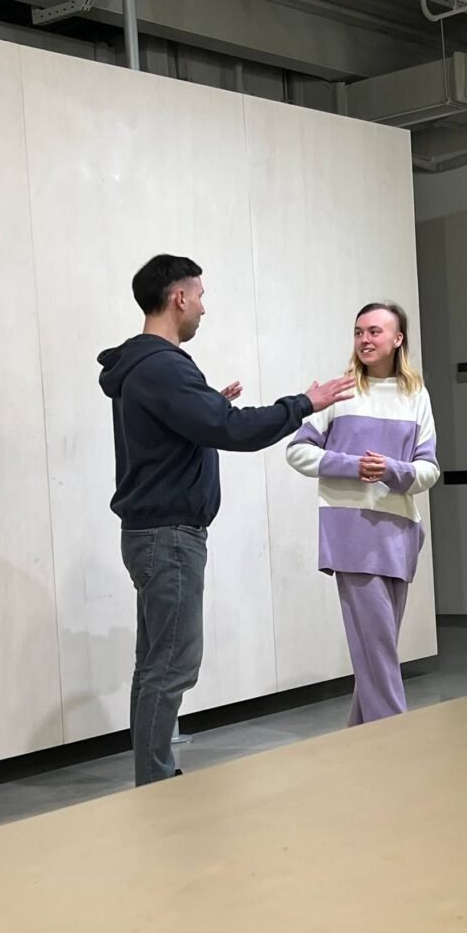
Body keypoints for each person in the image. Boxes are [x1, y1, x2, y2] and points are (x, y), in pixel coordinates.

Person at [97, 254, 354, 786]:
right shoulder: (164, 366)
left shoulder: (141, 367)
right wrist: (305, 403)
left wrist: (207, 406)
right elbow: (232, 431)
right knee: (172, 665)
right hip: (169, 536)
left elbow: (176, 432)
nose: (203, 308)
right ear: (179, 298)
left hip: (150, 533)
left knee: (156, 664)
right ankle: (154, 785)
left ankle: (152, 777)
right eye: (200, 296)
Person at [286, 302, 439, 726]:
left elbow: (429, 470)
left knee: (377, 651)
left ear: (398, 339)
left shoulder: (416, 396)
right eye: (359, 332)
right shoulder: (339, 392)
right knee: (378, 652)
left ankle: (358, 739)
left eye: (374, 331)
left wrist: (391, 470)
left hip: (399, 535)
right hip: (351, 535)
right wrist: (352, 466)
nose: (364, 339)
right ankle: (396, 736)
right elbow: (297, 451)